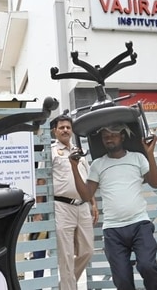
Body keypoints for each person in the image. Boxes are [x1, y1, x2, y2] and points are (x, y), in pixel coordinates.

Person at [70, 123, 157, 290]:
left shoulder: (137, 158)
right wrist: (74, 167)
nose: (108, 138)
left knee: (148, 266)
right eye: (105, 136)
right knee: (122, 279)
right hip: (113, 230)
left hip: (140, 224)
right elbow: (86, 195)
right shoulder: (97, 164)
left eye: (113, 134)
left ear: (122, 137)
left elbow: (155, 183)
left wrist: (150, 154)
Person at [50, 114, 99, 289]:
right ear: (54, 131)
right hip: (62, 207)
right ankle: (68, 286)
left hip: (83, 206)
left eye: (68, 127)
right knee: (66, 254)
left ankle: (65, 284)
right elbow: (42, 181)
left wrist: (93, 203)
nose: (65, 130)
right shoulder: (51, 152)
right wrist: (41, 211)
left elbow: (87, 179)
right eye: (61, 127)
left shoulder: (79, 152)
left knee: (87, 251)